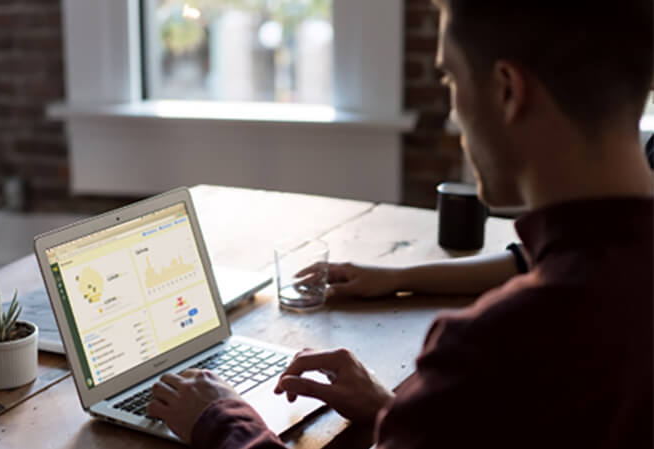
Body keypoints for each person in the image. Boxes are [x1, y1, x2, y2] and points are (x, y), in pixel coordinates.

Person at [146, 1, 654, 447]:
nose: (455, 120)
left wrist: (221, 420)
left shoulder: (498, 348)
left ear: (507, 91)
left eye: (452, 79)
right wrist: (402, 414)